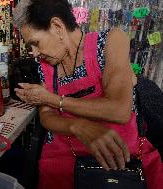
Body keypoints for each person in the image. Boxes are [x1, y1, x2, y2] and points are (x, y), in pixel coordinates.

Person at [13, 0, 163, 189]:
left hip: (120, 157)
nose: (34, 53)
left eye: (35, 43)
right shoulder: (45, 64)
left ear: (57, 27)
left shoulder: (111, 41)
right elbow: (47, 116)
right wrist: (79, 126)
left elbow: (118, 110)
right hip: (63, 156)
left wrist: (51, 99)